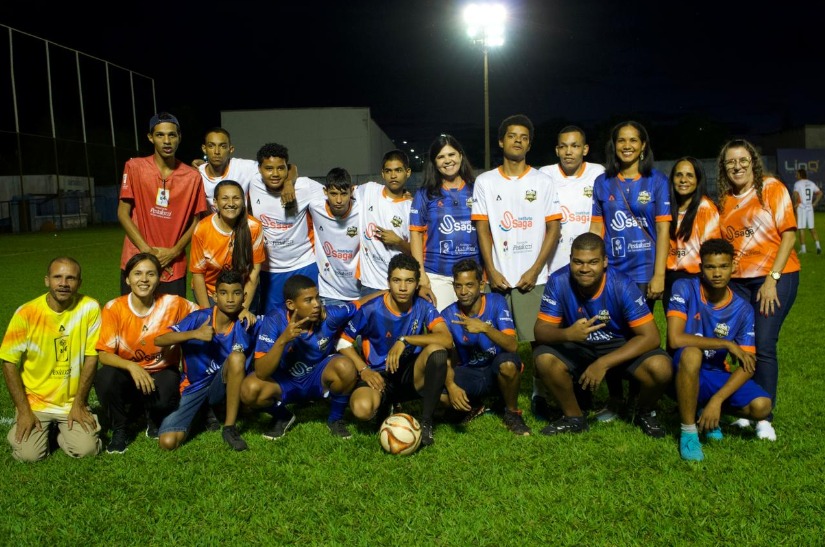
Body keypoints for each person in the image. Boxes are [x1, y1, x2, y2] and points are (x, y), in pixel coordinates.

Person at [532, 233, 672, 437]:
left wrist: (603, 363)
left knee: (661, 367)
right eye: (578, 262)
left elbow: (651, 337)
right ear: (570, 260)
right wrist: (568, 334)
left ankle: (644, 412)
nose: (585, 268)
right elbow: (540, 331)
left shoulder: (621, 284)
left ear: (605, 262)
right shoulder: (558, 281)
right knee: (543, 358)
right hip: (579, 345)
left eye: (593, 262)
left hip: (618, 345)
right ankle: (574, 418)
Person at [716, 139, 800, 440]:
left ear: (753, 162)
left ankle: (765, 416)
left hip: (776, 277)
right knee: (741, 345)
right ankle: (744, 409)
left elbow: (789, 237)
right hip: (739, 281)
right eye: (730, 162)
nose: (737, 166)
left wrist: (771, 279)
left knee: (763, 344)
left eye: (742, 160)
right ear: (724, 168)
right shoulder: (724, 200)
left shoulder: (771, 188)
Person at [589, 120, 671, 421]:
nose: (627, 146)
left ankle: (637, 397)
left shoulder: (657, 181)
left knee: (638, 335)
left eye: (633, 140)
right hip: (612, 273)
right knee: (611, 331)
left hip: (643, 274)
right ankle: (614, 399)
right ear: (614, 146)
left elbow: (663, 231)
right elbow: (596, 228)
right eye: (621, 140)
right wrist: (594, 267)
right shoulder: (603, 182)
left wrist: (659, 274)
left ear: (643, 145)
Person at [667, 239, 772, 461]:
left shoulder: (743, 309)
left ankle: (704, 407)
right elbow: (675, 339)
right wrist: (726, 343)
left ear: (733, 267)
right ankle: (688, 432)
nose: (717, 273)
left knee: (762, 406)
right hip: (682, 367)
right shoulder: (684, 287)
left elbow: (748, 364)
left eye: (723, 266)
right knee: (692, 352)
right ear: (700, 268)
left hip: (714, 373)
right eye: (710, 267)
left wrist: (718, 401)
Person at [240, 276, 380, 440]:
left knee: (345, 366)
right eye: (308, 300)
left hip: (316, 377)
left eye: (317, 298)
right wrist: (283, 340)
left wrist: (389, 292)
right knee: (249, 390)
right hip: (285, 382)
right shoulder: (274, 320)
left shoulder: (328, 315)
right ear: (291, 305)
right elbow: (262, 372)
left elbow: (359, 304)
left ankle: (335, 419)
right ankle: (283, 417)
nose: (316, 304)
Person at [337, 254, 451, 447]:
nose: (403, 287)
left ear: (417, 284)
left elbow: (446, 339)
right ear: (388, 282)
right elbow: (342, 342)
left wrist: (405, 340)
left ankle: (426, 422)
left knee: (437, 351)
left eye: (409, 281)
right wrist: (364, 370)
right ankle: (386, 404)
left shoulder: (423, 306)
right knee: (361, 408)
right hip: (379, 375)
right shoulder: (371, 309)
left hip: (409, 372)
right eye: (397, 280)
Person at [532, 125, 605, 416]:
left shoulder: (598, 172)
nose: (569, 151)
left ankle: (584, 389)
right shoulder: (545, 175)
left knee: (586, 331)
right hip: (552, 269)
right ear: (556, 150)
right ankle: (539, 392)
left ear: (585, 149)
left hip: (587, 270)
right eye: (563, 146)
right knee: (547, 332)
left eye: (575, 146)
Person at [94, 253, 199, 453]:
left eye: (150, 274)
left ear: (159, 279)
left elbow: (205, 314)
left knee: (166, 394)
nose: (144, 279)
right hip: (128, 372)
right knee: (104, 378)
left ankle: (154, 416)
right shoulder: (114, 308)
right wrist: (131, 366)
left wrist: (240, 312)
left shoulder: (173, 304)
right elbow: (104, 354)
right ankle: (120, 428)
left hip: (161, 370)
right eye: (137, 274)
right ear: (127, 279)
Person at [471, 114, 562, 344]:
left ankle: (537, 382)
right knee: (494, 343)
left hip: (533, 278)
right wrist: (491, 270)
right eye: (512, 136)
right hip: (498, 279)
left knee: (539, 344)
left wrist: (535, 269)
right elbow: (482, 230)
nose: (518, 141)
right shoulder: (485, 182)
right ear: (501, 141)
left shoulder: (543, 181)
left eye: (524, 138)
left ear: (529, 145)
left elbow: (554, 228)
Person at [1, 257, 101, 462]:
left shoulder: (90, 308)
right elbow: (9, 363)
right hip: (35, 402)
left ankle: (59, 433)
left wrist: (79, 404)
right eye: (58, 277)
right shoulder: (26, 313)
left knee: (88, 450)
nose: (64, 283)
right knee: (29, 456)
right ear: (47, 280)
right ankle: (43, 432)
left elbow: (92, 357)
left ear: (79, 283)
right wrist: (23, 410)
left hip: (71, 402)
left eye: (70, 278)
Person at [154, 269, 257, 451]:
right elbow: (159, 340)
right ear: (215, 296)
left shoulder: (246, 322)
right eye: (224, 293)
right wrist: (194, 334)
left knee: (236, 358)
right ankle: (203, 412)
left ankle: (229, 427)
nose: (231, 299)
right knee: (168, 442)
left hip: (221, 386)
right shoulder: (200, 318)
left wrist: (246, 311)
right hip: (194, 387)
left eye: (236, 293)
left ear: (244, 296)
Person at [117, 112, 208, 297]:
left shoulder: (192, 177)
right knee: (134, 320)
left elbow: (197, 221)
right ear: (151, 137)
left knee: (172, 323)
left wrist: (174, 252)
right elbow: (122, 213)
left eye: (172, 135)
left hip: (172, 265)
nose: (167, 140)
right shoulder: (135, 167)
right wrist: (146, 251)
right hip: (137, 259)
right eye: (160, 135)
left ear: (179, 138)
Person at [440, 258, 531, 435]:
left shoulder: (496, 302)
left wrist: (484, 328)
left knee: (509, 364)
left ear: (481, 286)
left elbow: (512, 346)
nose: (463, 291)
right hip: (470, 372)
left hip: (495, 370)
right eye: (458, 286)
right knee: (440, 397)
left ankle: (512, 413)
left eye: (469, 285)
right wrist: (451, 386)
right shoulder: (447, 315)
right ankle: (475, 405)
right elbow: (444, 359)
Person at [248, 142, 325, 313]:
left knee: (310, 317)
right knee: (273, 320)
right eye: (269, 168)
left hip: (304, 264)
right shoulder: (253, 183)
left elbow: (334, 196)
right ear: (259, 169)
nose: (275, 174)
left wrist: (289, 182)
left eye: (281, 168)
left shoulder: (304, 186)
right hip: (270, 270)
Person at [410, 134, 479, 311]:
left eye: (451, 155)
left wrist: (484, 273)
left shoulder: (477, 189)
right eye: (441, 157)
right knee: (444, 333)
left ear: (460, 156)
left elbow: (487, 232)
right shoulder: (425, 194)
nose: (447, 161)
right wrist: (421, 275)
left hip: (472, 275)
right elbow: (416, 235)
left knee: (475, 332)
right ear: (434, 162)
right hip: (437, 276)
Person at [190, 179, 265, 320]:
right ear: (215, 203)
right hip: (212, 292)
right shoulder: (202, 229)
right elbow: (198, 275)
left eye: (236, 198)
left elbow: (254, 272)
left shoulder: (254, 227)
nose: (231, 203)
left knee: (244, 334)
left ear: (243, 201)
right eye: (225, 198)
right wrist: (207, 313)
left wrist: (244, 308)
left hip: (242, 293)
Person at [665, 157, 721, 310]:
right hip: (669, 278)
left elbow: (711, 249)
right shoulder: (667, 207)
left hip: (695, 279)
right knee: (673, 331)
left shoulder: (705, 207)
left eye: (690, 175)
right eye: (679, 175)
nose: (683, 180)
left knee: (693, 331)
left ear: (698, 180)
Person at [196, 127, 298, 210]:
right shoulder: (196, 174)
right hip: (210, 230)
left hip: (241, 229)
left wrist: (288, 183)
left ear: (230, 149)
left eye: (222, 146)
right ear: (204, 149)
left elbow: (290, 167)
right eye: (211, 146)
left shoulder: (244, 167)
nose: (217, 151)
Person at [356, 149, 414, 295]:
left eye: (398, 170)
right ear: (382, 173)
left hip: (399, 287)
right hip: (369, 285)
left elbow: (418, 252)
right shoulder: (369, 190)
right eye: (388, 171)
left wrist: (398, 242)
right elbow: (340, 192)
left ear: (407, 172)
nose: (393, 175)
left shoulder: (411, 208)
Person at [308, 167, 362, 305]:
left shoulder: (362, 207)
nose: (339, 200)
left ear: (352, 191)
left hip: (360, 292)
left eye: (344, 194)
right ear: (325, 192)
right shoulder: (315, 206)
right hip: (329, 292)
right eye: (333, 194)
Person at [792, 168, 822, 254]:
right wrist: (815, 203)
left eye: (797, 174)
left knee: (801, 228)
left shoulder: (797, 184)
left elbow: (795, 194)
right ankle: (818, 246)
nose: (796, 176)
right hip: (809, 208)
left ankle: (803, 249)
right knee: (812, 228)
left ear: (800, 175)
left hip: (801, 208)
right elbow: (820, 193)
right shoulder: (811, 183)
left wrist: (796, 203)